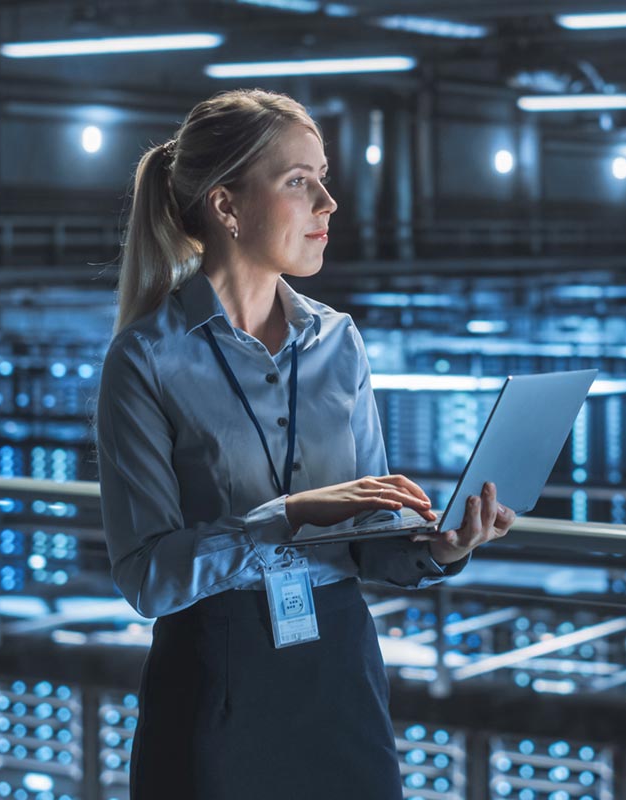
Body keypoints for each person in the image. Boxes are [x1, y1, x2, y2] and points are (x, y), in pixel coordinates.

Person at [94, 88, 516, 799]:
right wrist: (286, 515)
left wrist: (441, 547)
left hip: (341, 674)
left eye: (324, 178)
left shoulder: (338, 341)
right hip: (218, 678)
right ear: (226, 207)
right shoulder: (145, 360)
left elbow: (367, 534)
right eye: (299, 182)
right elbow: (148, 579)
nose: (329, 203)